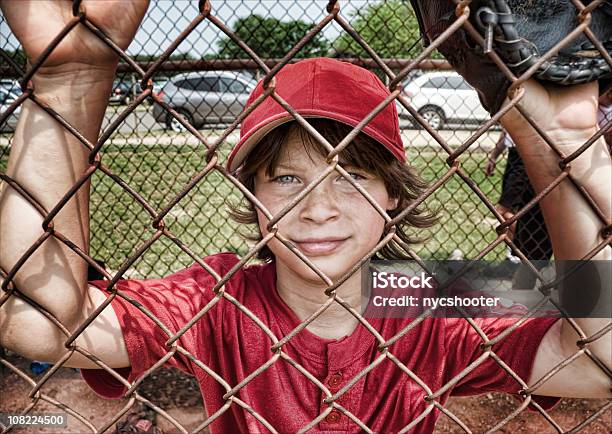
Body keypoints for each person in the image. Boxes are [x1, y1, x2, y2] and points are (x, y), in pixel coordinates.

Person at [0, 2, 610, 433]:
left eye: (350, 176)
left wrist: (563, 144)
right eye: (286, 179)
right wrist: (70, 81)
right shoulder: (220, 298)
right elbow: (39, 328)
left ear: (393, 195)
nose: (317, 209)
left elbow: (599, 356)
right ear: (254, 198)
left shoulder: (439, 291)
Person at [485, 129, 553, 287]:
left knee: (504, 212)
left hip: (526, 154)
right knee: (510, 213)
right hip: (513, 155)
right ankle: (515, 257)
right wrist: (494, 155)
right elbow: (505, 131)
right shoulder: (510, 106)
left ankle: (527, 252)